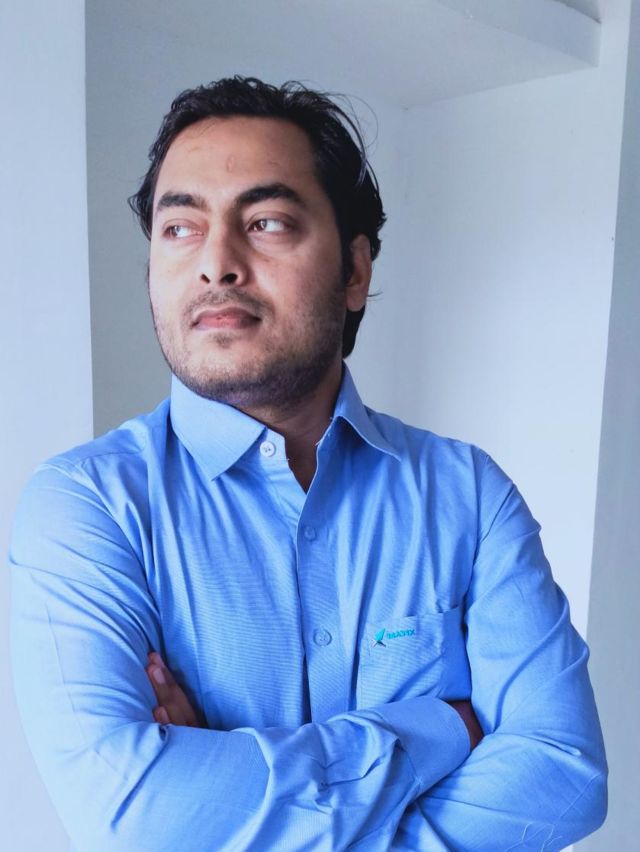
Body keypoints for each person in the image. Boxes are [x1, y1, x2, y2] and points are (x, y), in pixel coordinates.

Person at [10, 76, 607, 851]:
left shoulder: (468, 495)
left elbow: (562, 775)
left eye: (266, 222)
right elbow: (134, 815)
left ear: (355, 271)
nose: (216, 264)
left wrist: (229, 790)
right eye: (179, 227)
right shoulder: (86, 506)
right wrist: (439, 728)